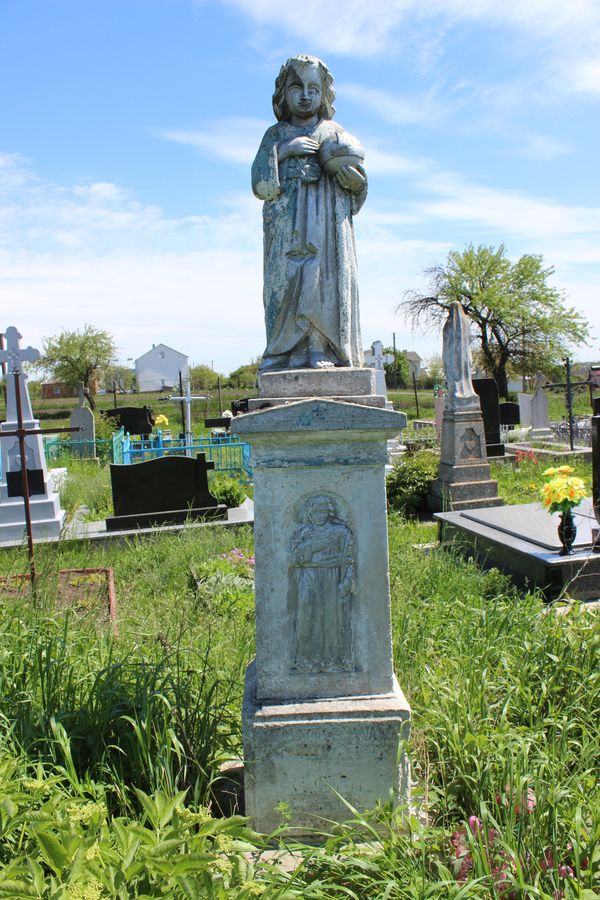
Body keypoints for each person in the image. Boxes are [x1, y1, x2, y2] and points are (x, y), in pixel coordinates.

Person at [252, 55, 367, 372]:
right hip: (285, 230)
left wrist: (354, 182)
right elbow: (261, 184)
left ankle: (321, 348)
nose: (305, 94)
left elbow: (357, 182)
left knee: (319, 283)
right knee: (287, 283)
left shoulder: (333, 132)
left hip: (325, 228)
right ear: (283, 93)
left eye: (313, 88)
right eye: (297, 87)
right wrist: (286, 151)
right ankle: (282, 353)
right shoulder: (275, 135)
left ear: (324, 94)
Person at [290, 495, 354, 673]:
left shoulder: (341, 531)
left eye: (323, 511)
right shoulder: (303, 532)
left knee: (332, 618)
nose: (319, 515)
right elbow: (293, 559)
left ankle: (332, 660)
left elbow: (350, 559)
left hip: (332, 577)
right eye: (316, 511)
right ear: (310, 513)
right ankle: (306, 660)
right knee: (307, 616)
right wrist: (311, 547)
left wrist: (347, 582)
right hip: (309, 577)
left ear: (330, 512)